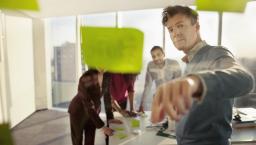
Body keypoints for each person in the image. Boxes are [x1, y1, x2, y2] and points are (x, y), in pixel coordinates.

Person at [151, 5, 254, 145]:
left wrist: (195, 83)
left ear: (196, 26)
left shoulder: (216, 53)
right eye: (171, 29)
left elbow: (244, 79)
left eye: (180, 26)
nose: (175, 33)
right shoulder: (189, 62)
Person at [68, 69, 119, 145]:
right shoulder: (86, 78)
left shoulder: (107, 76)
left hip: (93, 114)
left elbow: (107, 97)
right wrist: (102, 127)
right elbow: (87, 105)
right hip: (78, 111)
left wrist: (110, 118)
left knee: (90, 140)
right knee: (77, 139)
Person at [138, 46, 181, 113]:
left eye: (158, 55)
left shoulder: (174, 64)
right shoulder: (150, 65)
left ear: (163, 54)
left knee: (172, 120)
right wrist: (142, 104)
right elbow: (147, 86)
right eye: (153, 56)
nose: (156, 58)